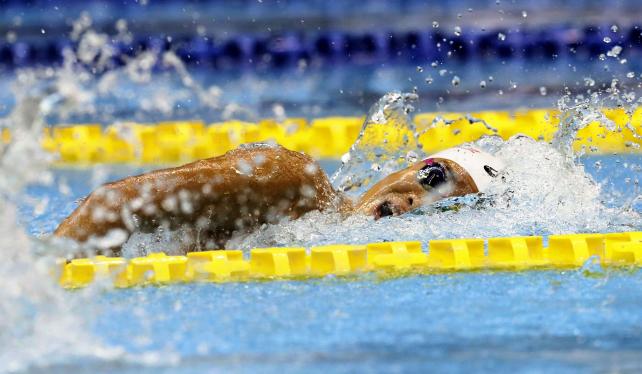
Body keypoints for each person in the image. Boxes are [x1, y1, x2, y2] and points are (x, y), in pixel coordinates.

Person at [54, 143, 504, 254]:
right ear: (409, 165)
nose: (421, 200)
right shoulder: (291, 179)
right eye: (434, 177)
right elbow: (111, 203)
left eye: (449, 203)